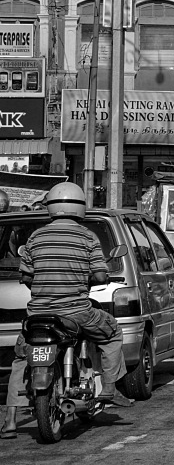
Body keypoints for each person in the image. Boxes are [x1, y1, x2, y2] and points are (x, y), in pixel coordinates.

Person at [3, 182, 132, 438]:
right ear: (80, 207)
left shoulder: (35, 237)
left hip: (37, 316)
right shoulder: (87, 237)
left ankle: (9, 421)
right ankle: (109, 388)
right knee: (113, 333)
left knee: (21, 359)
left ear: (51, 207)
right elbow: (99, 275)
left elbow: (26, 277)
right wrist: (91, 279)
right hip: (77, 312)